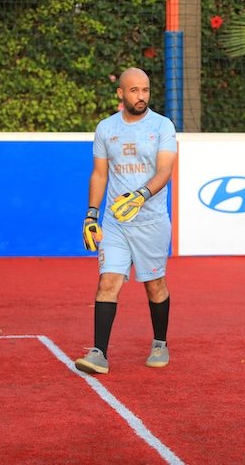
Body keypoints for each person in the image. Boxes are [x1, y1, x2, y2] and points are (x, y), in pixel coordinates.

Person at [75, 67, 177, 375]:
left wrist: (140, 195)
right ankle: (99, 353)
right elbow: (99, 174)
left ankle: (160, 343)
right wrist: (91, 214)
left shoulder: (162, 125)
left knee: (155, 285)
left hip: (152, 221)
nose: (141, 96)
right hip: (115, 223)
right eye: (134, 91)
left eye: (145, 90)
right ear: (121, 93)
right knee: (108, 282)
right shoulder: (106, 128)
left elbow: (165, 170)